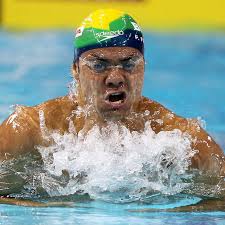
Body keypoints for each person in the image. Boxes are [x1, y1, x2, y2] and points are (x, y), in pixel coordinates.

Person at [0, 9, 225, 208]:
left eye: (129, 64)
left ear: (144, 67)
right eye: (98, 65)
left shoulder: (181, 140)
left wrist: (163, 215)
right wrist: (46, 210)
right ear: (76, 70)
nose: (116, 78)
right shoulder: (30, 130)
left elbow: (221, 201)